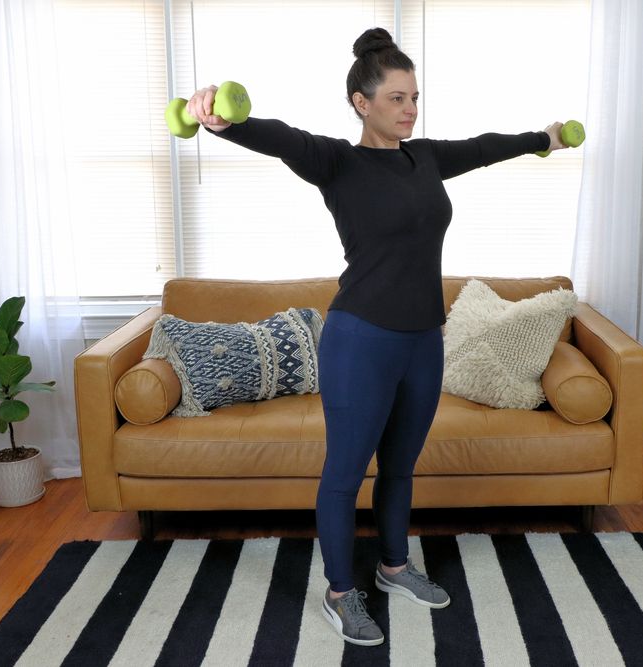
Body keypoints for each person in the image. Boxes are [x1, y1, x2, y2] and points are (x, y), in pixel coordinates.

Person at [187, 27, 569, 647]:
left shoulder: (426, 159)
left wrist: (542, 141)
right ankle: (341, 593)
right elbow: (278, 137)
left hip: (424, 340)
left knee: (400, 467)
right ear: (363, 104)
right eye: (396, 98)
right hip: (361, 338)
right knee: (344, 473)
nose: (410, 109)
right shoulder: (337, 162)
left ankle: (393, 568)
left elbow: (483, 146)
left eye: (415, 97)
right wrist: (222, 122)